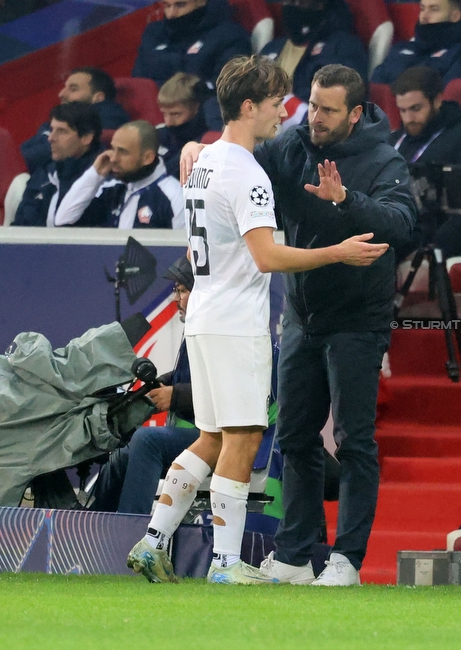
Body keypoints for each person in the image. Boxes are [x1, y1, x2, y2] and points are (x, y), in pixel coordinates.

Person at [127, 55, 388, 585]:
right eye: (275, 104)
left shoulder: (205, 162)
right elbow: (267, 257)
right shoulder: (247, 173)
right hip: (234, 321)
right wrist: (336, 251)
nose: (284, 113)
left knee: (210, 438)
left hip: (201, 315)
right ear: (248, 106)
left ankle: (153, 540)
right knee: (244, 435)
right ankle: (225, 564)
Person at [91, 256, 200, 514]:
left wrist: (174, 397)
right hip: (199, 436)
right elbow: (187, 374)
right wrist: (158, 384)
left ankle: (131, 530)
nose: (176, 299)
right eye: (176, 291)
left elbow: (224, 393)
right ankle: (93, 527)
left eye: (183, 291)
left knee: (147, 440)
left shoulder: (220, 333)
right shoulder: (196, 330)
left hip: (220, 441)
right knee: (120, 455)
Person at [390, 65, 461, 258]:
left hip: (423, 237)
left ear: (437, 100)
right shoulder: (395, 140)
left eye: (416, 109)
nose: (409, 119)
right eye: (402, 111)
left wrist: (429, 249)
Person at [132, 0, 251, 128]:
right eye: (167, 6)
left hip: (199, 124)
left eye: (180, 5)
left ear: (201, 2)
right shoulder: (154, 33)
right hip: (148, 121)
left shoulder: (231, 36)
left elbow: (224, 90)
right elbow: (138, 81)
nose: (171, 14)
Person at [53, 120, 186, 229]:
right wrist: (94, 175)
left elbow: (186, 252)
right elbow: (63, 219)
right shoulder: (112, 187)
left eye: (123, 152)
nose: (113, 158)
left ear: (147, 158)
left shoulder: (175, 196)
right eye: (113, 149)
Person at [260, 0, 367, 119]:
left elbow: (342, 99)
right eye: (290, 2)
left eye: (301, 2)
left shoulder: (344, 47)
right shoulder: (271, 48)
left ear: (322, 4)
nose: (294, 6)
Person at [20, 67, 131, 173]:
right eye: (65, 87)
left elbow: (30, 157)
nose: (61, 94)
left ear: (98, 98)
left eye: (73, 89)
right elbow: (23, 153)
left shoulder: (110, 115)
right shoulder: (54, 121)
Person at [12, 102, 103, 227]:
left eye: (62, 131)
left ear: (86, 137)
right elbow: (20, 225)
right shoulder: (44, 173)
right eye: (51, 129)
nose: (51, 138)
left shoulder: (105, 181)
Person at [371, 0, 461, 86]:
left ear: (455, 16)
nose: (424, 16)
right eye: (422, 8)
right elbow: (375, 87)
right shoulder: (401, 48)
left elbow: (446, 96)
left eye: (434, 9)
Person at [157, 72, 209, 180]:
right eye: (164, 114)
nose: (168, 122)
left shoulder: (208, 141)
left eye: (175, 114)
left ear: (196, 107)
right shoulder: (158, 135)